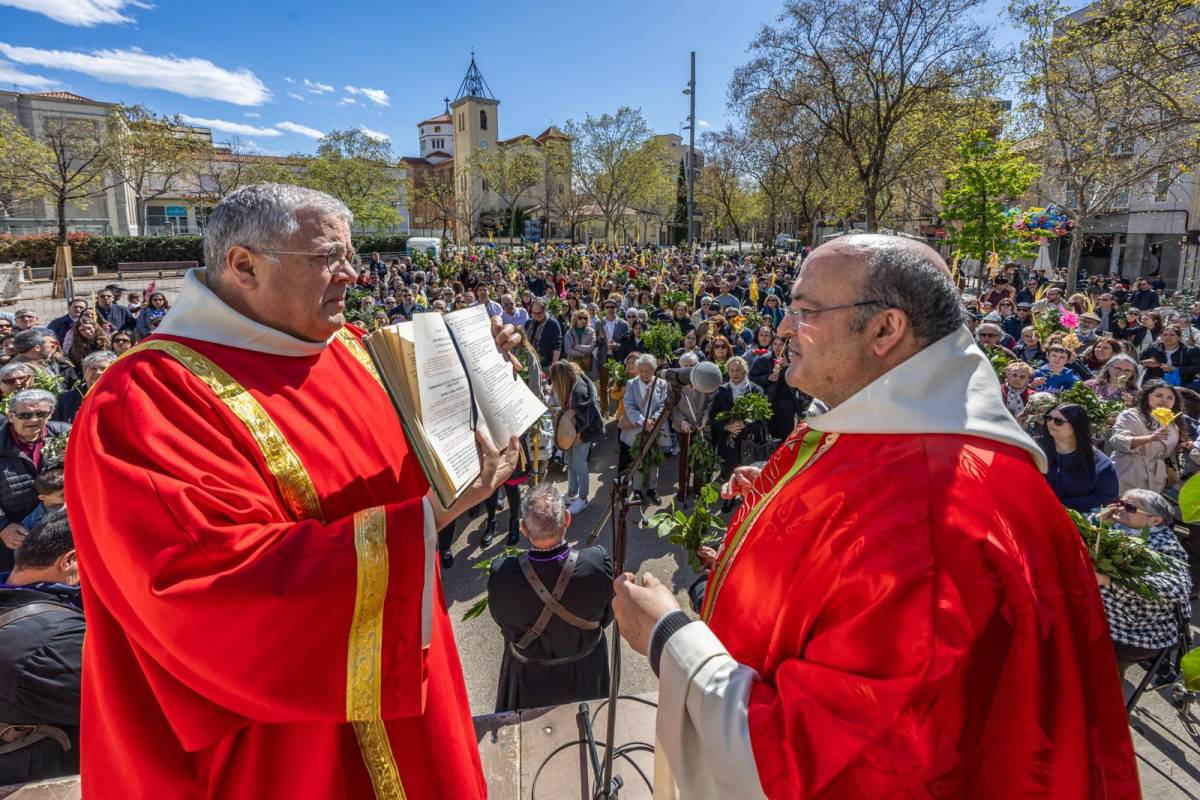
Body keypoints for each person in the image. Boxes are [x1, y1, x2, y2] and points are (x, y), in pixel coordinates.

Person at [612, 234, 1137, 799]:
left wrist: (669, 637)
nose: (784, 330)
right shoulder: (892, 437)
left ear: (885, 330)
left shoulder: (934, 515)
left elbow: (815, 763)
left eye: (805, 312)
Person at [65, 184, 522, 799]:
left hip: (411, 697)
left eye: (350, 254)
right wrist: (429, 518)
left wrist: (469, 381)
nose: (352, 273)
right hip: (282, 745)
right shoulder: (142, 401)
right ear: (244, 265)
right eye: (327, 257)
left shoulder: (355, 352)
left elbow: (406, 469)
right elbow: (207, 589)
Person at [486, 484, 613, 713]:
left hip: (530, 680)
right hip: (585, 674)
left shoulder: (502, 573)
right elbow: (607, 617)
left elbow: (503, 624)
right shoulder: (596, 563)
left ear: (523, 529)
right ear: (566, 519)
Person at [0, 511, 85, 785]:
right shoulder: (53, 637)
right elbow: (135, 703)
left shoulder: (13, 596)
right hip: (37, 780)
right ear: (70, 561)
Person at [1093, 490, 1192, 670]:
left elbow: (1177, 589)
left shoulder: (1165, 545)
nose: (1119, 508)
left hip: (1140, 628)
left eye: (1129, 507)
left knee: (1094, 656)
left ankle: (1107, 697)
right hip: (1102, 613)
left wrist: (1110, 581)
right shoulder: (1115, 526)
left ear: (1155, 520)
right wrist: (1096, 523)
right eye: (1119, 502)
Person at [0, 390, 70, 575]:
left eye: (41, 414)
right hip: (14, 532)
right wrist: (2, 526)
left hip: (60, 526)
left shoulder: (65, 434)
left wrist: (77, 456)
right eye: (25, 415)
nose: (33, 420)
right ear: (11, 415)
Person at [1040, 403, 1119, 512]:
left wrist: (1059, 505)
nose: (1050, 423)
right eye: (1048, 418)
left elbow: (1105, 498)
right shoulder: (1036, 452)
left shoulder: (1101, 463)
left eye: (1058, 421)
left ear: (1076, 425)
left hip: (1079, 522)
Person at [1109, 380, 1183, 494]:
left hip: (1156, 475)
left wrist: (1181, 446)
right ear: (1146, 396)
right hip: (1128, 470)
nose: (1164, 400)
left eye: (1170, 398)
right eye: (1158, 395)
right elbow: (1118, 441)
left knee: (1146, 511)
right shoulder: (1130, 415)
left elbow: (1166, 451)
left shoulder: (1172, 424)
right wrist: (1150, 438)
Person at [549, 361, 602, 516]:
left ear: (562, 377)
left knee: (579, 464)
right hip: (574, 433)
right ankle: (572, 493)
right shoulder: (573, 383)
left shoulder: (579, 390)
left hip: (583, 434)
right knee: (569, 462)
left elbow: (584, 419)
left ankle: (583, 498)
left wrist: (575, 436)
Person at [619, 353, 669, 504]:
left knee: (653, 459)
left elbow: (663, 405)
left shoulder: (661, 384)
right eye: (642, 371)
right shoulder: (632, 384)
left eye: (648, 370)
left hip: (655, 428)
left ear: (654, 370)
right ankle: (638, 490)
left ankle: (652, 489)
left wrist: (653, 419)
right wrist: (642, 421)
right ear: (637, 370)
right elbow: (628, 405)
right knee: (638, 459)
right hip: (637, 428)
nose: (645, 374)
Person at [52, 350, 115, 424]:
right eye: (93, 369)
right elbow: (56, 427)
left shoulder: (120, 398)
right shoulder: (66, 399)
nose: (98, 372)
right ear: (84, 372)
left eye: (103, 368)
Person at [526, 298, 562, 369]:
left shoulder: (553, 324)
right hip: (530, 362)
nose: (536, 316)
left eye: (539, 313)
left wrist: (553, 366)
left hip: (546, 365)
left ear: (545, 310)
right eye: (534, 313)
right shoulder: (528, 323)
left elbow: (557, 346)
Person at [563, 309, 597, 378]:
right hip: (573, 363)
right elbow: (568, 350)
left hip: (587, 364)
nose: (582, 320)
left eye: (585, 318)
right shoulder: (569, 332)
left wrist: (576, 346)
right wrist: (582, 354)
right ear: (575, 319)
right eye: (580, 317)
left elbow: (591, 348)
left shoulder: (591, 331)